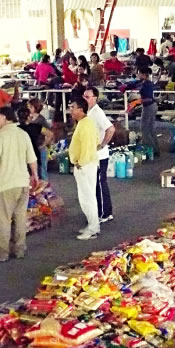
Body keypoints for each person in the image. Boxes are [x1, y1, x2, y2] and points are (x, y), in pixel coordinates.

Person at [0, 106, 38, 262]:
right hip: (23, 183)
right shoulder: (23, 134)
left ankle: (2, 253)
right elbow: (32, 158)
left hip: (6, 184)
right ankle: (19, 250)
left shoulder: (0, 135)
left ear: (5, 118)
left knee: (4, 219)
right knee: (20, 218)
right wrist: (35, 175)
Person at [68, 97, 100, 240]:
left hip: (85, 165)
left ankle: (93, 227)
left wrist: (81, 162)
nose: (71, 111)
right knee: (86, 197)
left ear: (81, 109)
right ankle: (92, 225)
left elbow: (87, 146)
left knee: (88, 197)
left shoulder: (86, 124)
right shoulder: (84, 123)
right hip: (85, 164)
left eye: (73, 107)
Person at [84, 87, 115, 225]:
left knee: (100, 184)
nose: (85, 99)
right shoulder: (89, 112)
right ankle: (98, 210)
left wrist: (102, 145)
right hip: (92, 155)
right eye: (84, 96)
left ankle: (105, 213)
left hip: (100, 155)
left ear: (95, 98)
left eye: (88, 97)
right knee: (94, 184)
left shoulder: (97, 113)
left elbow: (111, 129)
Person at [135, 66, 159, 157]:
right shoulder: (147, 83)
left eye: (139, 73)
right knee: (151, 128)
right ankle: (155, 150)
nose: (138, 75)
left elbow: (148, 98)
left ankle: (150, 149)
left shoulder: (146, 85)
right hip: (152, 106)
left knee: (144, 128)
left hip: (148, 107)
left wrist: (138, 101)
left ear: (144, 75)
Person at [27, 99, 53, 181]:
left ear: (36, 107)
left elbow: (50, 134)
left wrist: (44, 144)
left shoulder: (41, 120)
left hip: (39, 148)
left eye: (30, 107)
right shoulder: (29, 119)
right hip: (31, 148)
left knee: (42, 171)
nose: (28, 109)